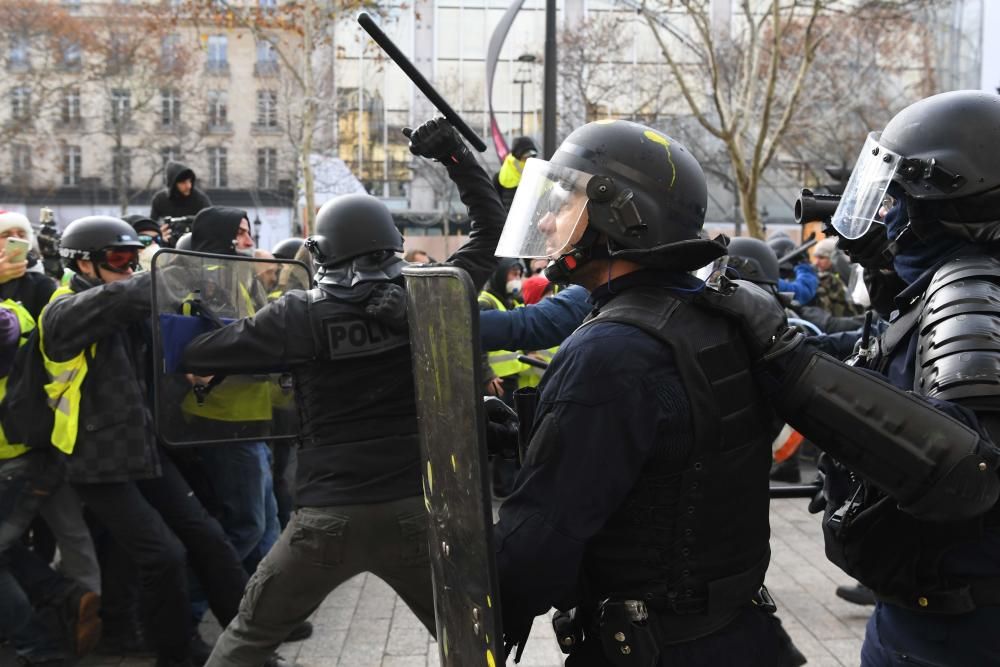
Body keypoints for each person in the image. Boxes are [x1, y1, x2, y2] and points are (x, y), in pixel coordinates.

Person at [178, 117, 505, 667]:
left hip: (324, 518)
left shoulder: (296, 315)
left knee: (245, 642)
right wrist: (455, 158)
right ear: (392, 243)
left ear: (324, 253)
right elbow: (491, 228)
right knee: (476, 646)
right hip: (415, 514)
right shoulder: (434, 296)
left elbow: (200, 352)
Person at [492, 119, 795, 665]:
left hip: (652, 647)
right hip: (741, 633)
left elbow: (536, 550)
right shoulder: (716, 314)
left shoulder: (610, 351)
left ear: (620, 215)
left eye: (566, 203)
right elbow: (675, 453)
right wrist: (532, 436)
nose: (546, 218)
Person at [763, 90, 1000, 667]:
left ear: (945, 200)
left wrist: (794, 376)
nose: (885, 214)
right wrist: (764, 334)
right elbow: (876, 351)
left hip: (956, 632)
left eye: (896, 199)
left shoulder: (968, 289)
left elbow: (965, 471)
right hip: (920, 615)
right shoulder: (931, 284)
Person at [38, 216, 249, 667]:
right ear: (83, 264)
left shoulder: (128, 302)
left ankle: (252, 645)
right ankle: (178, 654)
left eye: (134, 258)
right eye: (119, 258)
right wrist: (165, 268)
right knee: (164, 556)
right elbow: (121, 298)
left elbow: (165, 345)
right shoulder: (62, 310)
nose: (130, 268)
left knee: (209, 538)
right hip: (94, 459)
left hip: (142, 447)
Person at [494, 136, 539, 210]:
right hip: (506, 220)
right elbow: (494, 206)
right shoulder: (500, 177)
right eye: (526, 156)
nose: (530, 160)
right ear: (517, 157)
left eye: (533, 156)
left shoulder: (538, 176)